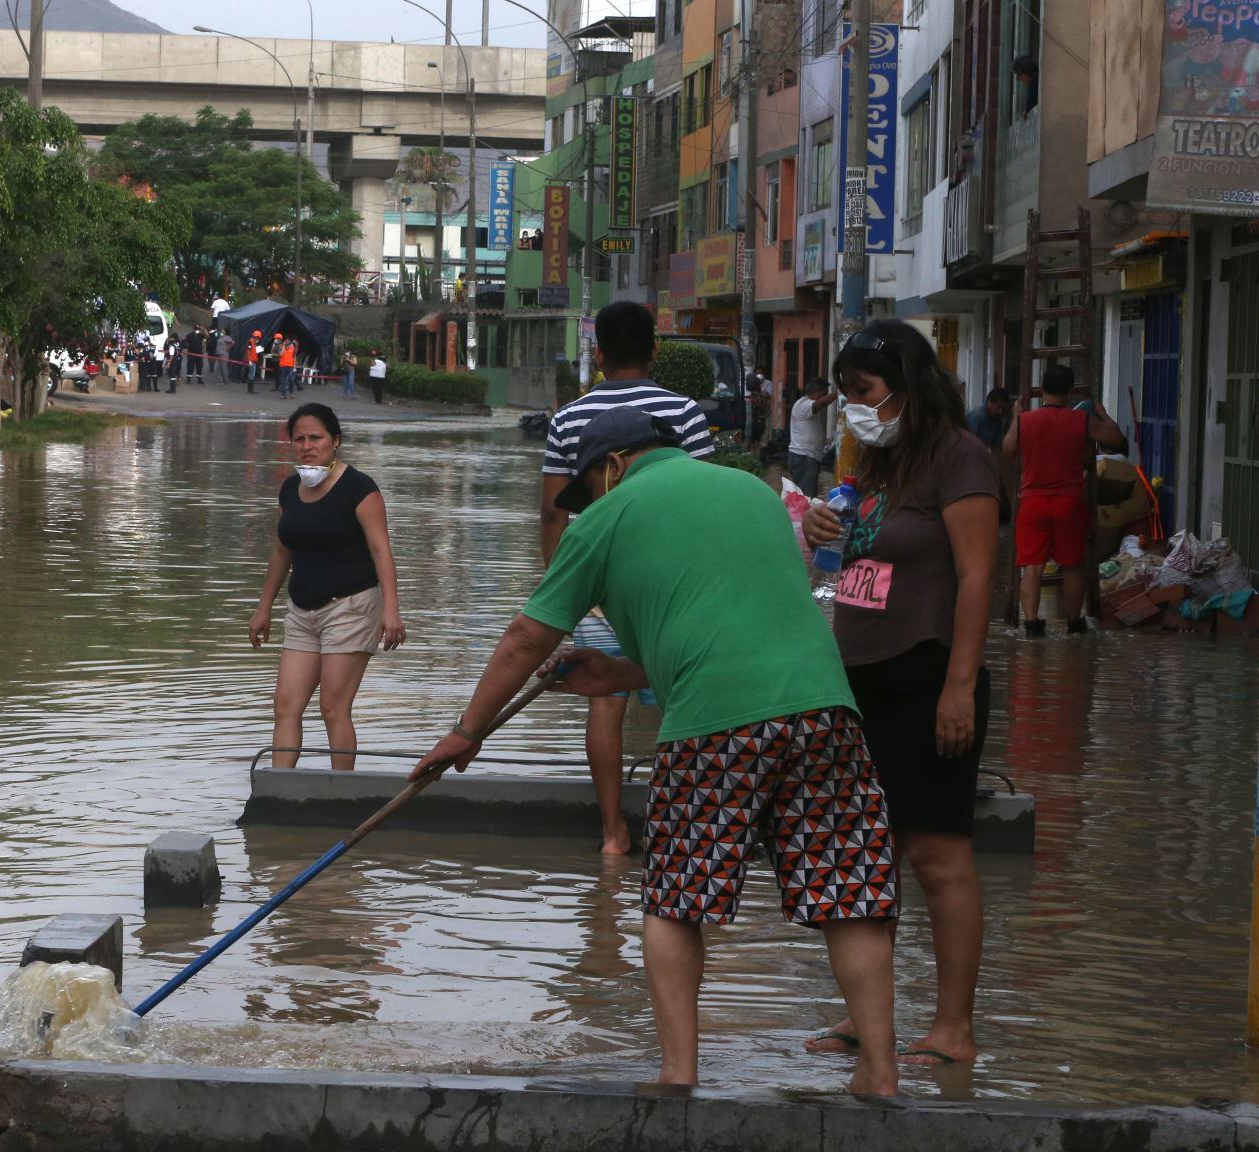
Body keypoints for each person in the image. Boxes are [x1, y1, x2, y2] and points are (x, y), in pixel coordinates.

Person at [413, 405, 901, 1095]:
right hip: (826, 710)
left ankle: (677, 1075)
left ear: (613, 466)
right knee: (845, 893)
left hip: (712, 728)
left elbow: (527, 638)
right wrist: (618, 674)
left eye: (588, 487)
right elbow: (732, 625)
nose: (586, 505)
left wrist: (467, 734)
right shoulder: (752, 493)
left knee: (675, 901)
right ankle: (879, 1075)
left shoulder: (603, 522)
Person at [801, 319, 999, 1070]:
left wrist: (958, 689)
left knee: (938, 855)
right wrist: (821, 523)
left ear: (909, 386)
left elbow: (980, 577)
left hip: (926, 673)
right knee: (864, 852)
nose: (852, 406)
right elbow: (847, 558)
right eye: (847, 393)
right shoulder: (875, 461)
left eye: (864, 391)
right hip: (855, 680)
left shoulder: (962, 460)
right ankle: (867, 1019)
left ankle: (954, 1028)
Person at [540, 301, 714, 856]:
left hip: (600, 587)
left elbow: (553, 514)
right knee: (684, 700)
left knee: (606, 702)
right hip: (677, 586)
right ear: (655, 351)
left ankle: (613, 834)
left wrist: (565, 597)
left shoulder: (569, 418)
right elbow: (700, 496)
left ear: (598, 355)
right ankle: (684, 831)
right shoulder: (684, 411)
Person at [250, 403, 407, 772]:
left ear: (335, 441)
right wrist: (263, 608)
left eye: (316, 437)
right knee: (286, 706)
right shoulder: (290, 489)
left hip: (351, 607)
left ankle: (341, 794)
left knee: (333, 708)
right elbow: (281, 550)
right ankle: (280, 791)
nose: (307, 445)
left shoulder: (360, 488)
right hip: (302, 611)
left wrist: (391, 610)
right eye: (299, 438)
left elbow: (380, 549)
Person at [1001, 364, 1127, 636]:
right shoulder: (1081, 421)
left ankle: (1032, 627)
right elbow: (1117, 440)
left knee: (1032, 569)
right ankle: (1074, 623)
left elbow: (1008, 450)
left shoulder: (1026, 421)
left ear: (1043, 391)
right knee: (1072, 566)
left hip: (1033, 503)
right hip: (1070, 502)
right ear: (1069, 392)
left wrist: (1016, 418)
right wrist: (1104, 416)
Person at [788, 378, 836, 495]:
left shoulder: (805, 404)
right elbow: (818, 404)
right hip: (804, 457)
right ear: (816, 393)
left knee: (808, 495)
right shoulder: (804, 404)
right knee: (806, 496)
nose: (825, 396)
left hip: (808, 457)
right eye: (824, 393)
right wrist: (837, 394)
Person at [967, 387, 1012, 451]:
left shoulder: (998, 420)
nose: (1000, 412)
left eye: (1003, 409)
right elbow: (967, 444)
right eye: (998, 407)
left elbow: (996, 446)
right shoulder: (977, 416)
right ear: (989, 402)